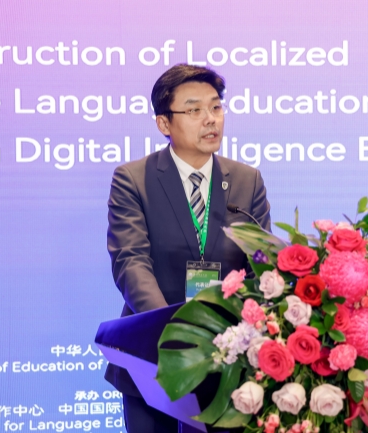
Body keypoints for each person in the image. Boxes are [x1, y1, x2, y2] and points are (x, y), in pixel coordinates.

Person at [105, 64, 271, 433]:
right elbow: (131, 262)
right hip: (153, 357)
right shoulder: (134, 179)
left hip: (230, 361)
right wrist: (173, 332)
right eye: (194, 110)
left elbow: (261, 267)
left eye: (216, 107)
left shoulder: (247, 181)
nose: (210, 119)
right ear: (164, 123)